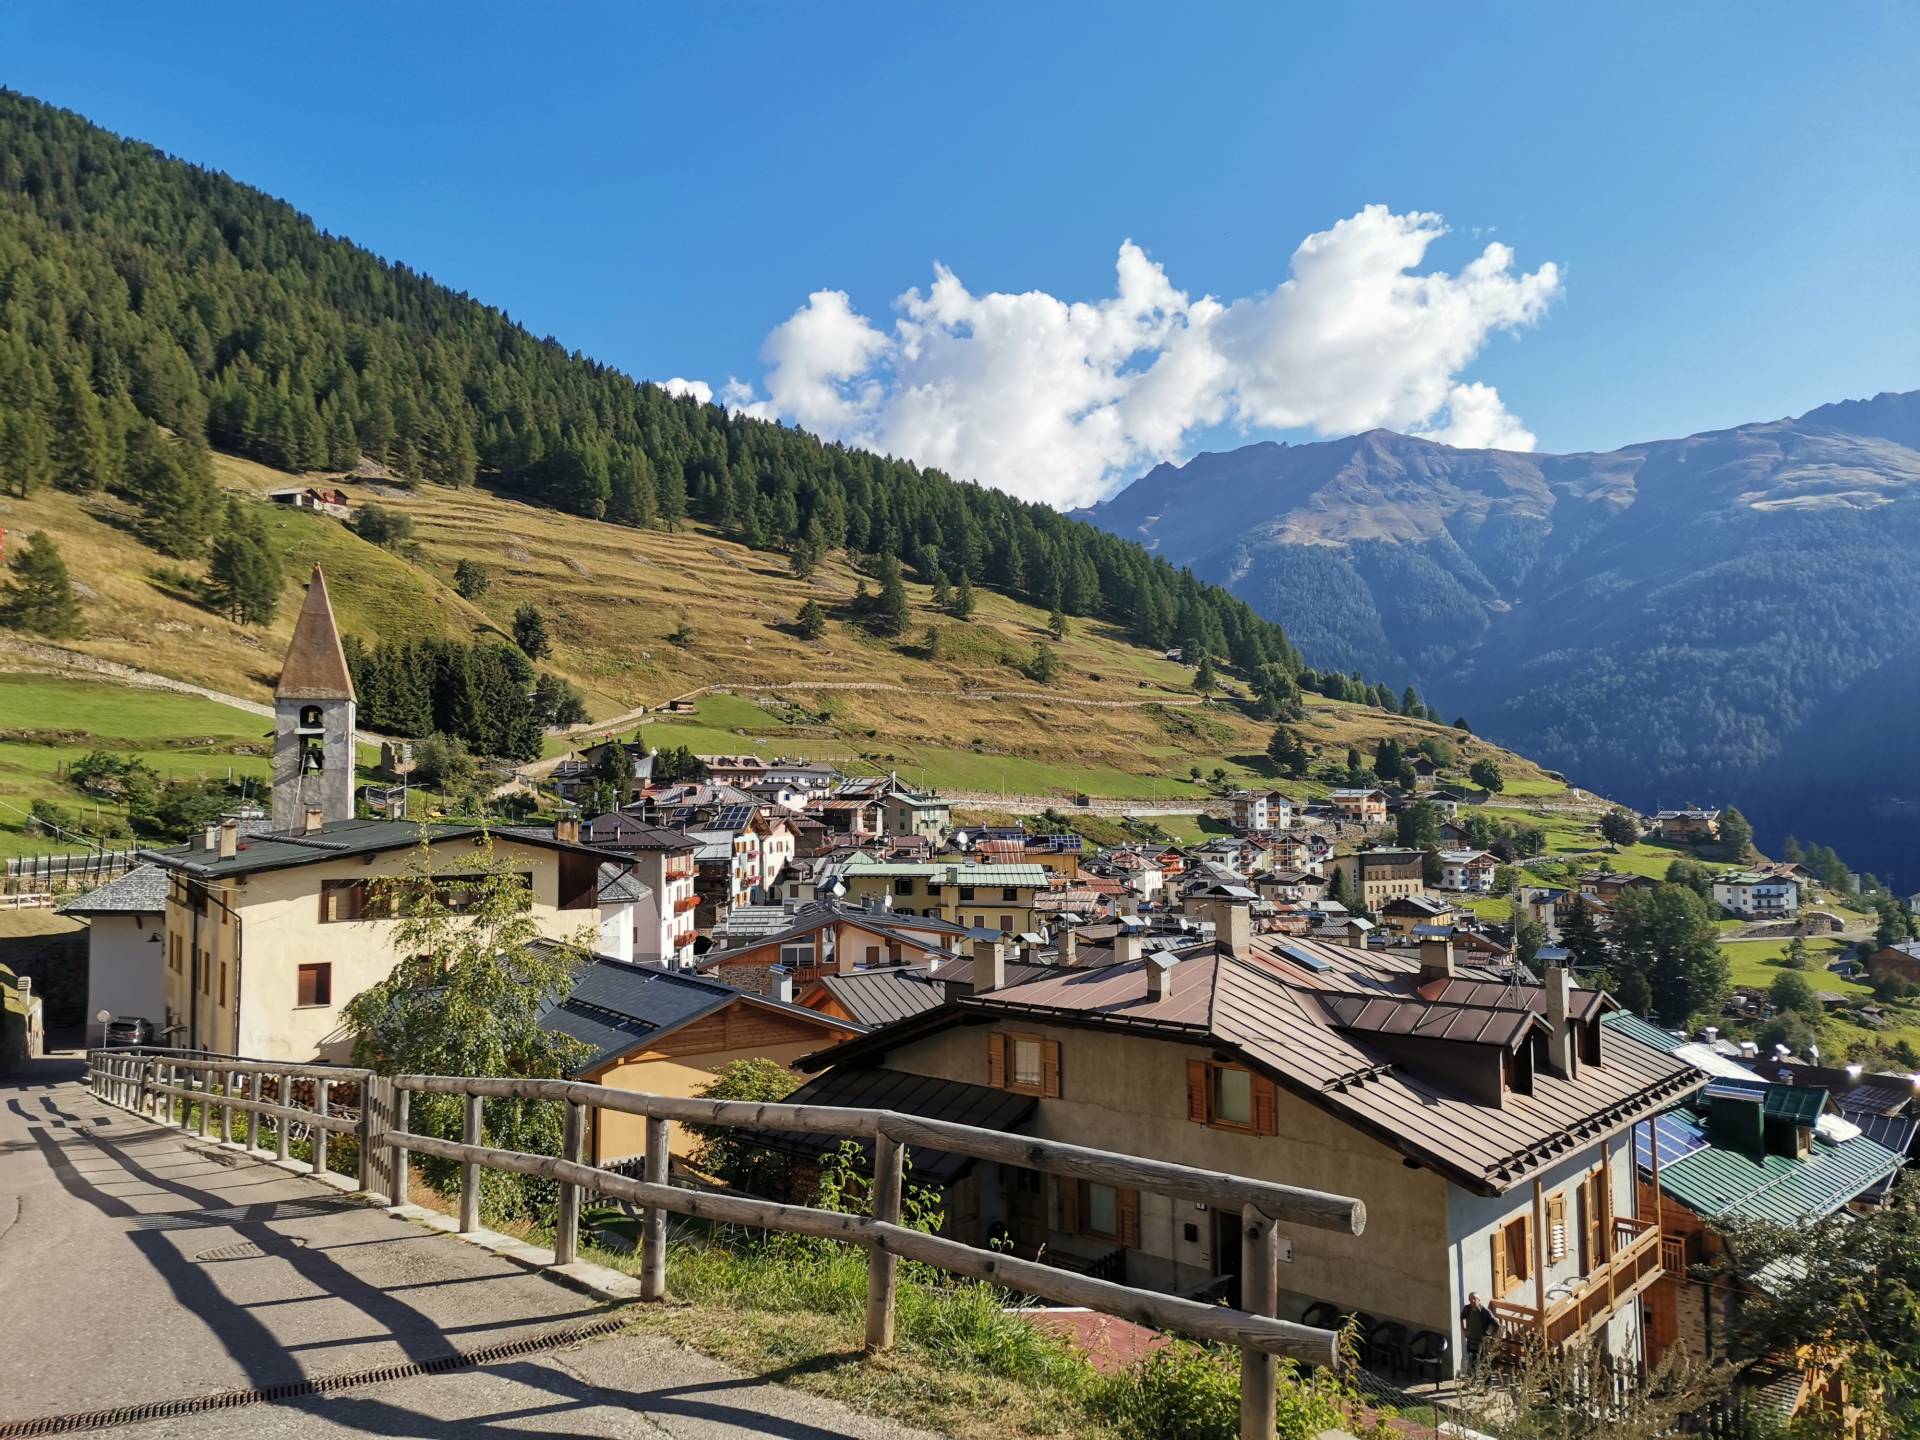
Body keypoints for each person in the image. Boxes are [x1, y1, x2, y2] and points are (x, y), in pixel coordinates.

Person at [1461, 1291, 1498, 1366]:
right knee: (1472, 1363)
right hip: (1471, 1341)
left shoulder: (1485, 1311)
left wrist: (1489, 1335)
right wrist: (1463, 1330)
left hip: (1481, 1343)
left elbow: (1496, 1324)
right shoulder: (1467, 1309)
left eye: (1474, 1299)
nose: (1472, 1301)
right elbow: (1461, 1317)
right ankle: (1474, 1376)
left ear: (1479, 1300)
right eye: (1470, 1299)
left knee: (1483, 1363)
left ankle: (1486, 1377)